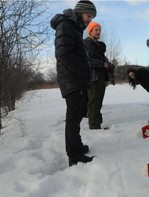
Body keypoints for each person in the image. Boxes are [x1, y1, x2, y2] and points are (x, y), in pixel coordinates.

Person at [50, 0, 96, 166]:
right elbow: (64, 54)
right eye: (88, 16)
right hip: (71, 78)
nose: (89, 20)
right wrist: (83, 72)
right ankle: (74, 155)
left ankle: (77, 146)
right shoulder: (66, 26)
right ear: (80, 12)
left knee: (77, 114)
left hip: (75, 78)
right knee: (73, 116)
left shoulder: (74, 28)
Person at [84, 21, 114, 130]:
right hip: (93, 78)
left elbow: (102, 60)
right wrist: (102, 64)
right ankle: (94, 126)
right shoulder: (87, 43)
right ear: (90, 32)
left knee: (98, 102)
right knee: (93, 103)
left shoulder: (97, 44)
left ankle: (98, 123)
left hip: (100, 77)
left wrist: (108, 65)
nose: (98, 32)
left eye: (99, 30)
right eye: (96, 30)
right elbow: (87, 61)